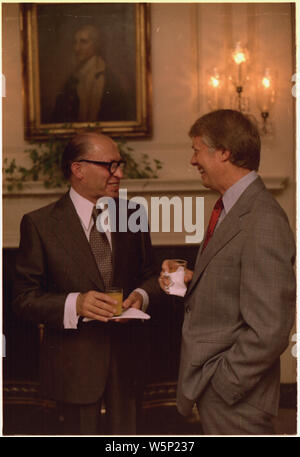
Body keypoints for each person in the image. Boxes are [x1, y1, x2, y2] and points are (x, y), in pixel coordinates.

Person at [159, 109, 296, 435]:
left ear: (224, 152)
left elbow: (270, 328)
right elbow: (240, 283)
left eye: (197, 150)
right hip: (224, 393)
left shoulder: (262, 218)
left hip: (236, 398)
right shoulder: (231, 207)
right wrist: (192, 279)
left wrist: (222, 383)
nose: (193, 160)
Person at [13, 132, 156, 435]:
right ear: (78, 170)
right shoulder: (39, 224)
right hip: (72, 371)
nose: (120, 173)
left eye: (120, 164)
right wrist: (75, 304)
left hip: (128, 366)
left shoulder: (134, 214)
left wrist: (142, 296)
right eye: (110, 165)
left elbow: (150, 275)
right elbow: (23, 299)